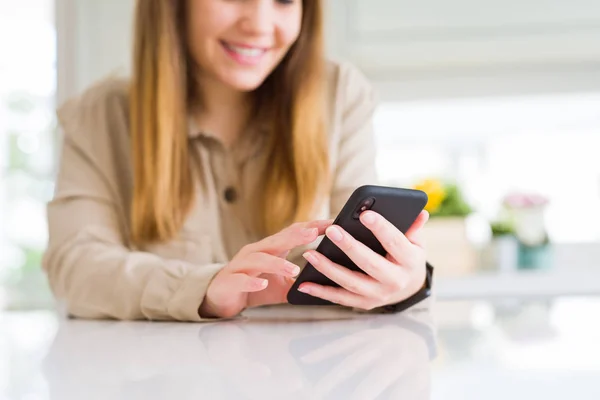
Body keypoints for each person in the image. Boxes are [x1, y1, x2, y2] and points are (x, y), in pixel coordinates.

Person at [43, 0, 431, 321]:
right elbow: (75, 264)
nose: (260, 25)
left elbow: (362, 246)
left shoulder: (340, 96)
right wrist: (204, 288)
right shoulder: (102, 113)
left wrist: (407, 283)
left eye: (283, 0)